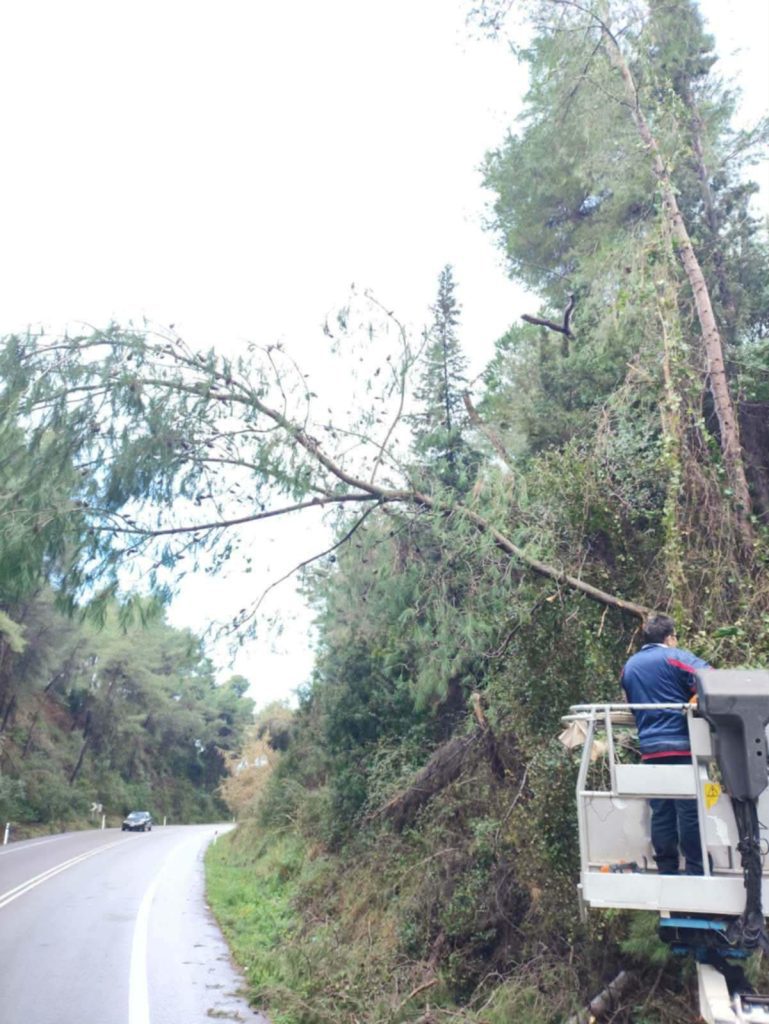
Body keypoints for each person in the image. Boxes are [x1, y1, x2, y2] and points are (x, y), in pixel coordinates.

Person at [620, 613, 710, 875]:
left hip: (650, 749)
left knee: (661, 811)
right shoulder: (675, 657)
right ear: (670, 637)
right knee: (688, 810)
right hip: (681, 745)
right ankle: (697, 869)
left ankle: (668, 869)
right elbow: (711, 679)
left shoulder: (630, 667)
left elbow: (630, 702)